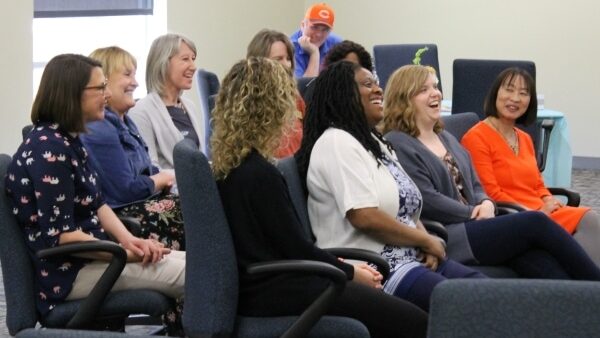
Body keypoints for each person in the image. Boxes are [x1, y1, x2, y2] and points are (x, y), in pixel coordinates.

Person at [212, 57, 428, 338]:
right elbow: (297, 249)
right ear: (272, 107)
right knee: (417, 322)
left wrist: (344, 268)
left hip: (261, 286)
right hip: (278, 290)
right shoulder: (260, 174)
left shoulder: (231, 167)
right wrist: (350, 272)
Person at [4, 54, 185, 334]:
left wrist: (132, 241)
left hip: (94, 260)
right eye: (100, 88)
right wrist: (126, 254)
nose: (107, 94)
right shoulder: (48, 150)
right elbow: (62, 235)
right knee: (198, 275)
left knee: (198, 263)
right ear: (72, 94)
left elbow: (98, 204)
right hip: (69, 274)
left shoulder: (69, 139)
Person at [296, 61, 488, 312]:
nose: (378, 90)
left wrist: (423, 240)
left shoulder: (376, 143)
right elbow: (364, 216)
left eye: (377, 83)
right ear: (344, 93)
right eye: (367, 84)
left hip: (411, 257)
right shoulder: (337, 142)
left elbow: (404, 207)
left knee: (490, 293)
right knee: (467, 307)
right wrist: (424, 240)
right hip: (376, 268)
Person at [381, 64, 600, 281]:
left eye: (435, 87)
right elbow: (427, 199)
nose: (435, 93)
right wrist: (472, 212)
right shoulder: (399, 142)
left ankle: (583, 304)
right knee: (535, 222)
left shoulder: (445, 137)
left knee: (542, 262)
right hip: (450, 233)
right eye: (424, 89)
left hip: (480, 223)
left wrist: (485, 203)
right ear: (404, 98)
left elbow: (476, 184)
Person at [461, 67, 600, 265]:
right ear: (495, 94)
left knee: (588, 220)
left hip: (539, 211)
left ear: (530, 101)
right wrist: (533, 212)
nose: (515, 98)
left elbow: (537, 184)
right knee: (587, 223)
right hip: (513, 216)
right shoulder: (476, 138)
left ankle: (583, 287)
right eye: (509, 90)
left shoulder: (524, 138)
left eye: (523, 93)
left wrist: (549, 200)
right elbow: (489, 193)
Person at [81, 46, 185, 251]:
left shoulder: (126, 122)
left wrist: (161, 178)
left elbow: (148, 171)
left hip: (144, 206)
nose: (135, 83)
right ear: (103, 81)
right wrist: (162, 178)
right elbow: (124, 191)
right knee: (202, 211)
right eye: (127, 74)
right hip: (123, 221)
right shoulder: (100, 127)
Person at [129, 33, 202, 170]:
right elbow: (150, 169)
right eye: (185, 59)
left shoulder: (190, 106)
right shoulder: (141, 111)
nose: (193, 66)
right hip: (171, 190)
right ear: (163, 63)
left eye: (193, 59)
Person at [246, 29, 305, 157]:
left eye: (288, 59)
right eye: (278, 59)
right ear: (259, 62)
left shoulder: (294, 97)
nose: (286, 65)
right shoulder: (249, 102)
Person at [290, 3, 342, 78]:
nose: (319, 34)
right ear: (303, 25)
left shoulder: (337, 44)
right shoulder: (290, 48)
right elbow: (303, 88)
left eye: (325, 30)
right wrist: (314, 53)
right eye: (314, 27)